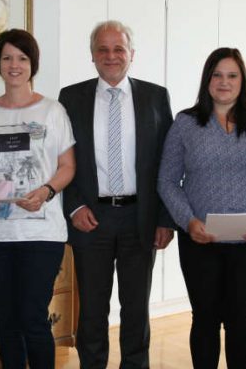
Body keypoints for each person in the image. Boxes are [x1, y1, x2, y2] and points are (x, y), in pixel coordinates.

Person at [157, 47, 246, 368]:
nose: (224, 82)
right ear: (207, 80)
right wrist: (188, 222)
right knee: (204, 319)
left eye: (232, 75)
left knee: (240, 320)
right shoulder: (185, 124)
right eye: (217, 75)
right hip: (200, 241)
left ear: (242, 81)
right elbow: (167, 181)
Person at [58, 20, 175, 369]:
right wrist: (74, 205)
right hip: (91, 218)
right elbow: (63, 157)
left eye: (118, 49)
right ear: (92, 55)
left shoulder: (155, 96)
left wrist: (165, 219)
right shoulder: (71, 98)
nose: (111, 56)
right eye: (103, 49)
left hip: (140, 217)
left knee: (136, 308)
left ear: (131, 54)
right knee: (92, 308)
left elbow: (167, 163)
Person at [0, 29, 76, 368]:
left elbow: (67, 166)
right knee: (6, 321)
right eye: (7, 57)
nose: (14, 65)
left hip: (41, 234)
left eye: (22, 58)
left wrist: (46, 191)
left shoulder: (52, 111)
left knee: (33, 318)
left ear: (32, 64)